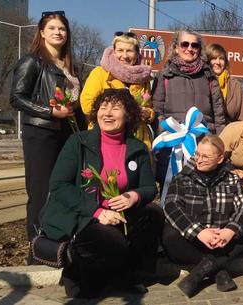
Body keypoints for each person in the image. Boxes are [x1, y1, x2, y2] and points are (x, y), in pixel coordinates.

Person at [41, 89, 164, 298]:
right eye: (103, 108)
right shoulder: (78, 142)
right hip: (83, 214)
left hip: (118, 213)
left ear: (128, 115)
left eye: (115, 108)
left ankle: (127, 274)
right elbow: (59, 184)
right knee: (113, 243)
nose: (107, 113)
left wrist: (133, 196)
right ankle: (77, 271)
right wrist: (98, 212)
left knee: (153, 215)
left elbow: (149, 187)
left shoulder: (137, 148)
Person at [9, 10, 82, 245]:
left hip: (67, 134)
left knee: (63, 188)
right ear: (42, 32)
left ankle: (59, 239)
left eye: (61, 28)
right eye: (51, 28)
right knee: (40, 191)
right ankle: (38, 246)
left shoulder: (71, 66)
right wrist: (49, 111)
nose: (57, 32)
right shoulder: (32, 61)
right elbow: (17, 98)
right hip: (41, 133)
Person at [162, 135, 243, 297]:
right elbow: (171, 206)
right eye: (197, 154)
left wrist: (230, 230)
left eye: (205, 156)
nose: (199, 160)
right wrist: (199, 232)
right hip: (193, 241)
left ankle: (199, 273)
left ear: (220, 158)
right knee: (170, 234)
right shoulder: (183, 178)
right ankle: (217, 269)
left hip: (222, 240)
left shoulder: (231, 179)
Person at [151, 30, 226, 187]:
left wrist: (219, 141)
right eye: (184, 44)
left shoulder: (209, 76)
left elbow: (218, 113)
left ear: (200, 49)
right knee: (171, 188)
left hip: (202, 142)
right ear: (176, 47)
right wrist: (166, 132)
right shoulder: (164, 75)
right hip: (172, 144)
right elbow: (156, 109)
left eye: (195, 45)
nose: (189, 48)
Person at [80, 31, 154, 149]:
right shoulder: (99, 73)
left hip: (137, 138)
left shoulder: (143, 78)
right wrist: (122, 113)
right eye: (120, 50)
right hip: (105, 137)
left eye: (129, 51)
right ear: (113, 52)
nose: (124, 56)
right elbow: (87, 106)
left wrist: (148, 113)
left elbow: (150, 107)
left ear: (137, 54)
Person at [205, 43, 243, 122]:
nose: (218, 62)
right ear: (207, 60)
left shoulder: (236, 85)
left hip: (229, 131)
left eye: (221, 58)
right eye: (214, 58)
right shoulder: (200, 81)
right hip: (204, 131)